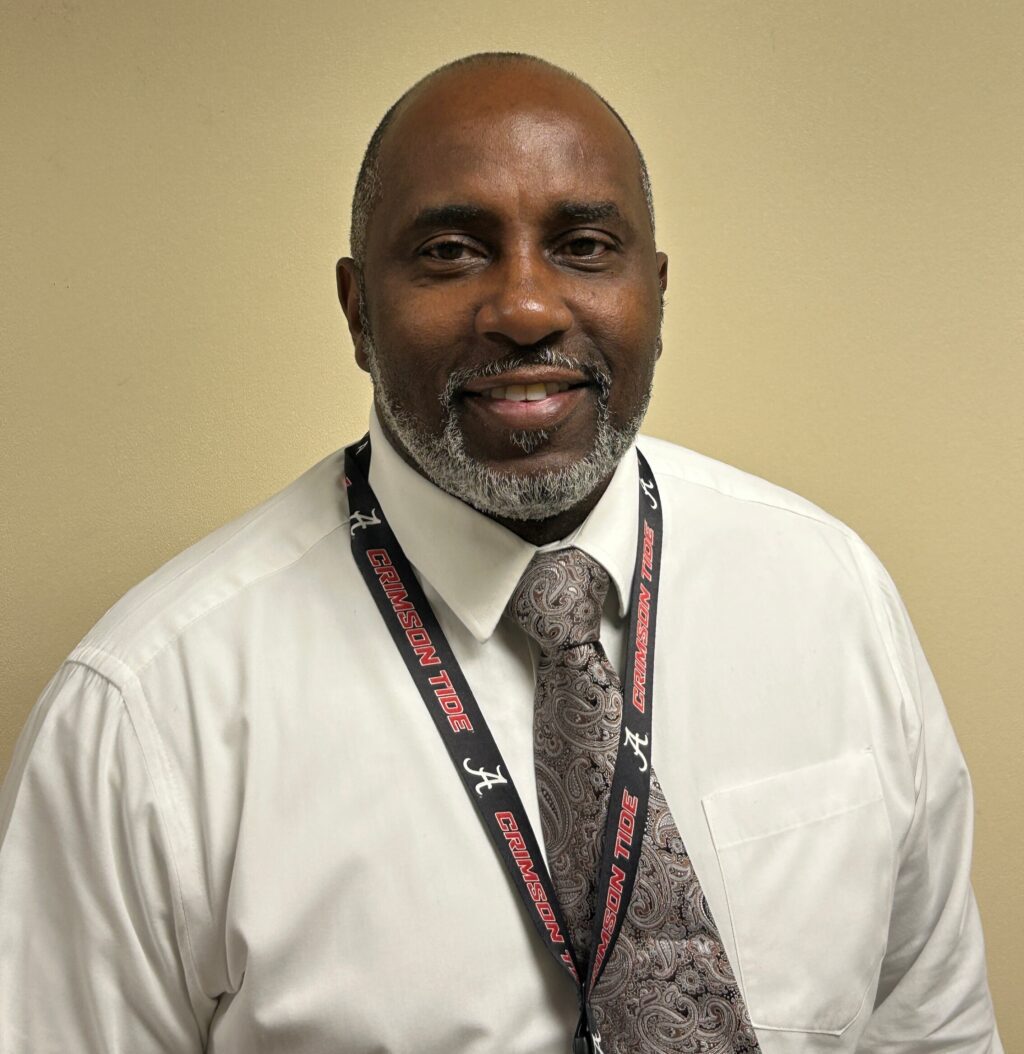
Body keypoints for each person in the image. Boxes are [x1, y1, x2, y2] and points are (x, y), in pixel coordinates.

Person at [0, 52, 1002, 1054]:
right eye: (448, 251)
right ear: (357, 311)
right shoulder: (149, 719)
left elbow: (929, 1026)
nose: (524, 308)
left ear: (655, 291)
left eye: (582, 245)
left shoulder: (829, 596)